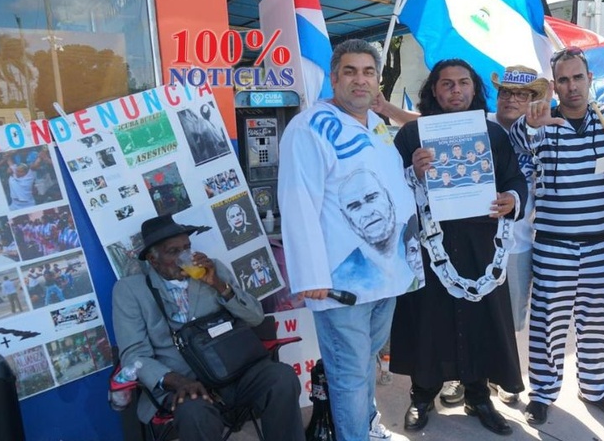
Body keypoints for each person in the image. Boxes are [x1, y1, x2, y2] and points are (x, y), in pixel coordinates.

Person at [278, 38, 419, 441]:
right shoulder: (309, 127)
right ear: (334, 77)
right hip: (339, 279)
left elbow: (391, 188)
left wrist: (417, 174)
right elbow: (298, 200)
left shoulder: (375, 126)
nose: (361, 80)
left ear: (377, 81)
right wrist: (311, 274)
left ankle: (366, 427)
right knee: (349, 373)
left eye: (368, 72)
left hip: (385, 275)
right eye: (351, 72)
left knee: (363, 363)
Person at [391, 58, 526, 436]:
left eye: (463, 83)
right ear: (433, 90)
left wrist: (512, 199)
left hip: (483, 245)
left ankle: (478, 395)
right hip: (431, 248)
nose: (455, 91)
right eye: (446, 84)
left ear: (474, 88)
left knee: (481, 319)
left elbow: (515, 179)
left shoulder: (494, 134)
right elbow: (390, 192)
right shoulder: (411, 135)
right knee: (429, 322)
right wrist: (411, 172)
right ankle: (421, 396)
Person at [512, 46, 604, 425]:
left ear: (590, 80)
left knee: (598, 321)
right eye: (564, 80)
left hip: (602, 241)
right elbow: (520, 142)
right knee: (548, 324)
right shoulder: (543, 122)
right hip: (553, 244)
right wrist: (532, 124)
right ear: (555, 85)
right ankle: (543, 393)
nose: (572, 87)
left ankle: (596, 389)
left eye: (578, 78)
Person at [112, 214, 304, 441]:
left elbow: (255, 317)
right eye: (173, 252)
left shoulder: (213, 270)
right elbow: (134, 355)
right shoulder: (131, 291)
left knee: (281, 378)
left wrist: (218, 285)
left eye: (187, 248)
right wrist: (178, 381)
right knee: (194, 411)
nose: (185, 256)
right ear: (153, 260)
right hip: (180, 383)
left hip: (233, 370)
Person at [488, 64, 548, 404]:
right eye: (505, 92)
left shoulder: (544, 133)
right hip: (476, 238)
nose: (511, 99)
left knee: (511, 318)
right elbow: (426, 122)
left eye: (520, 94)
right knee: (471, 309)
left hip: (520, 241)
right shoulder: (479, 122)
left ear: (532, 100)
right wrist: (387, 109)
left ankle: (505, 373)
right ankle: (468, 377)